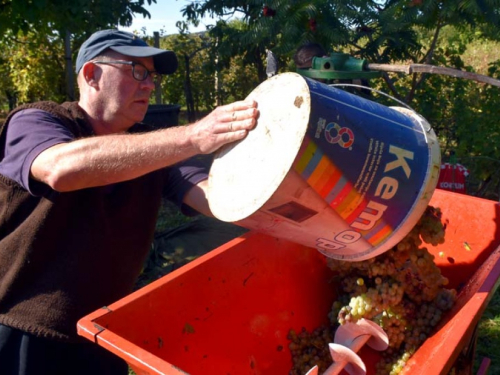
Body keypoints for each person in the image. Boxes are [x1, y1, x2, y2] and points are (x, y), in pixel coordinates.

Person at [0, 29, 259, 375]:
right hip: (20, 333)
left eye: (151, 76)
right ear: (91, 75)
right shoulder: (36, 121)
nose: (150, 85)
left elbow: (218, 199)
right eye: (137, 72)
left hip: (102, 334)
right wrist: (195, 135)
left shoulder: (151, 147)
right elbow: (63, 168)